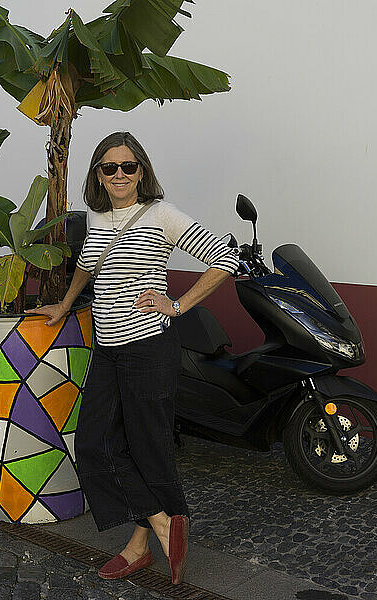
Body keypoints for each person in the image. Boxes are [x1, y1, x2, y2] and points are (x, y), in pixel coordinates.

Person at [25, 131, 239, 584]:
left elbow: (225, 256)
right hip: (108, 348)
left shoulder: (161, 214)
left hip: (147, 348)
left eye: (128, 166)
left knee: (148, 447)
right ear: (98, 175)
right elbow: (87, 263)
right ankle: (163, 522)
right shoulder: (98, 215)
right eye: (110, 167)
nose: (119, 174)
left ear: (142, 171)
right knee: (94, 444)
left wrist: (178, 305)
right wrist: (65, 304)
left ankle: (139, 545)